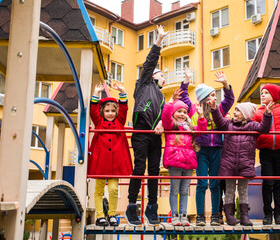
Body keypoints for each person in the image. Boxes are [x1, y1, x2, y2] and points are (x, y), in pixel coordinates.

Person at [179, 67, 234, 226]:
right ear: (203, 98)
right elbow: (184, 97)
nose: (214, 97)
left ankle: (215, 216)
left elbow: (229, 99)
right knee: (202, 183)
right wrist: (187, 80)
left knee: (215, 183)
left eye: (214, 95)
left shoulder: (219, 109)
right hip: (201, 150)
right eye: (211, 95)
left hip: (217, 149)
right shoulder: (194, 109)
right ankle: (201, 216)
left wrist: (225, 83)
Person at [125, 25, 168, 227]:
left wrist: (161, 123)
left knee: (154, 171)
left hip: (155, 135)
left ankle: (152, 208)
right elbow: (150, 62)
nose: (164, 78)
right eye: (161, 74)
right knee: (139, 168)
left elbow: (165, 115)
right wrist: (159, 40)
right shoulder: (143, 84)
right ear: (153, 75)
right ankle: (131, 206)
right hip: (141, 131)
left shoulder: (162, 96)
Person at [209, 100, 274, 226]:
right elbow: (218, 120)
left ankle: (244, 216)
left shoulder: (253, 126)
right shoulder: (228, 125)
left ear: (245, 114)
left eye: (238, 110)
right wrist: (214, 108)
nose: (235, 112)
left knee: (243, 190)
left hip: (245, 163)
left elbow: (264, 129)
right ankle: (230, 216)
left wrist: (267, 114)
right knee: (229, 190)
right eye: (235, 110)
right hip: (229, 163)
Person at [88, 83, 133, 227]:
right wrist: (95, 93)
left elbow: (124, 109)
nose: (110, 113)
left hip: (115, 163)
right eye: (107, 110)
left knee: (114, 189)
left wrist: (123, 92)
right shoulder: (99, 122)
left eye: (113, 111)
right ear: (103, 112)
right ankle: (100, 216)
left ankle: (112, 214)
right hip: (100, 161)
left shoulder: (119, 122)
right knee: (99, 189)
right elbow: (93, 110)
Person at [161, 89, 207, 226]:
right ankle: (175, 215)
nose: (182, 114)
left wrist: (201, 116)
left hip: (188, 162)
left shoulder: (189, 128)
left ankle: (183, 215)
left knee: (184, 191)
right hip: (175, 162)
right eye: (179, 111)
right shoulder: (171, 126)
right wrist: (170, 101)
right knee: (174, 190)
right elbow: (165, 117)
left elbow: (201, 130)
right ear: (173, 113)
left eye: (184, 112)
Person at [252, 84, 280, 225]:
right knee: (268, 182)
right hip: (266, 151)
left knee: (279, 183)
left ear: (274, 96)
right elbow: (252, 126)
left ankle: (279, 214)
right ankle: (267, 214)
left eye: (266, 93)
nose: (262, 95)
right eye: (262, 93)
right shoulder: (258, 112)